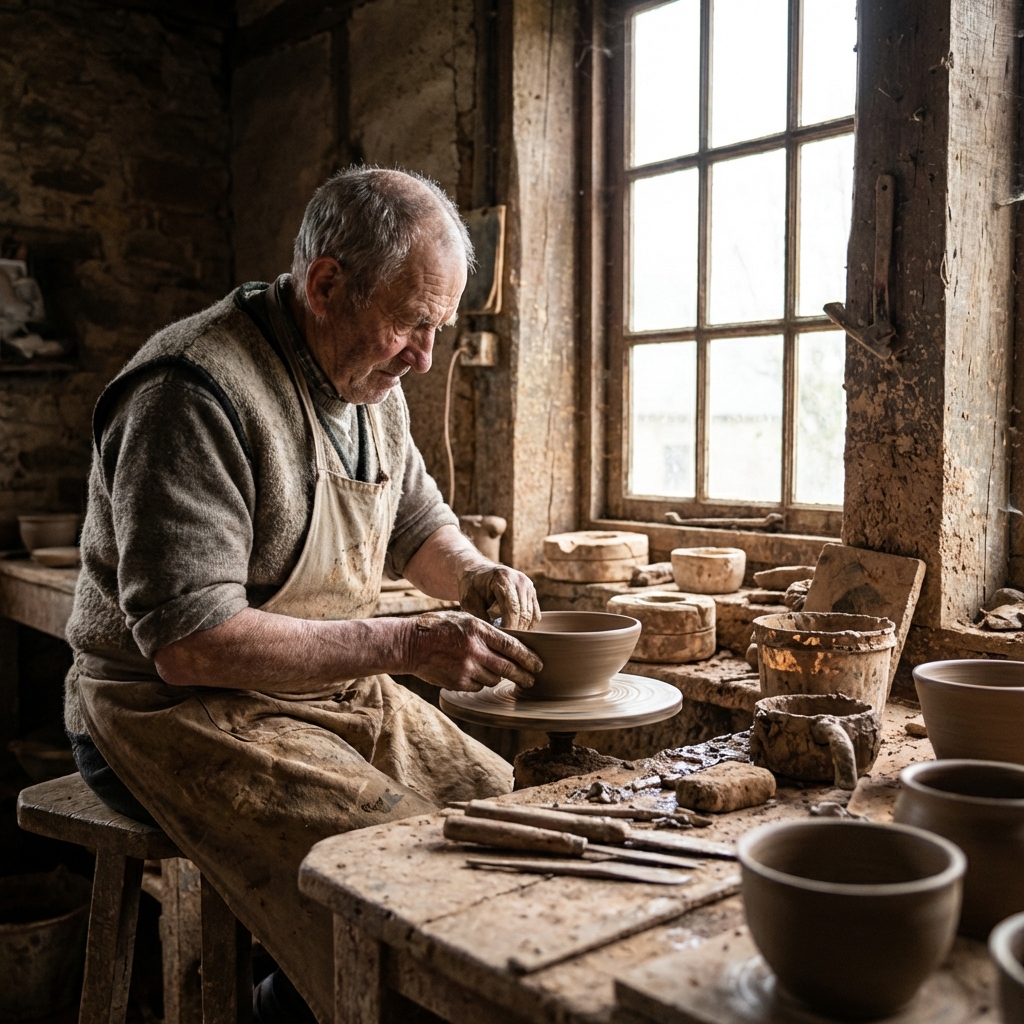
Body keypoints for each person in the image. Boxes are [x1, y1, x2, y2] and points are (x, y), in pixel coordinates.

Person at [63, 167, 543, 1023]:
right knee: (405, 880)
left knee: (516, 828)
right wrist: (408, 643)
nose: (424, 358)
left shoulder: (373, 385)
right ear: (326, 285)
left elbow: (414, 523)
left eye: (438, 329)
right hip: (172, 711)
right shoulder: (191, 390)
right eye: (412, 323)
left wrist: (472, 574)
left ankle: (303, 995)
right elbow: (189, 644)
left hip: (326, 691)